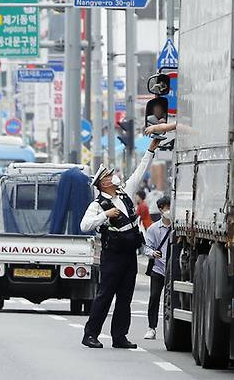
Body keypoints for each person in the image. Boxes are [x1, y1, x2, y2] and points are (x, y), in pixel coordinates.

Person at [80, 139, 160, 349]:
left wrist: (151, 149)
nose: (113, 176)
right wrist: (105, 215)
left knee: (125, 297)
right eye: (108, 176)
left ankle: (119, 336)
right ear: (103, 183)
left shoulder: (125, 193)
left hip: (129, 255)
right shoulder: (98, 204)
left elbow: (139, 172)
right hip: (112, 256)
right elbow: (84, 225)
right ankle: (90, 334)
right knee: (105, 296)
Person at [143, 196, 172, 340]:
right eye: (166, 208)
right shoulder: (153, 229)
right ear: (160, 210)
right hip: (158, 269)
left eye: (170, 207)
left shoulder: (177, 228)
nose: (168, 210)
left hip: (173, 270)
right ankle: (151, 328)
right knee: (154, 297)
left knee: (172, 300)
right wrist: (153, 253)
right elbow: (147, 248)